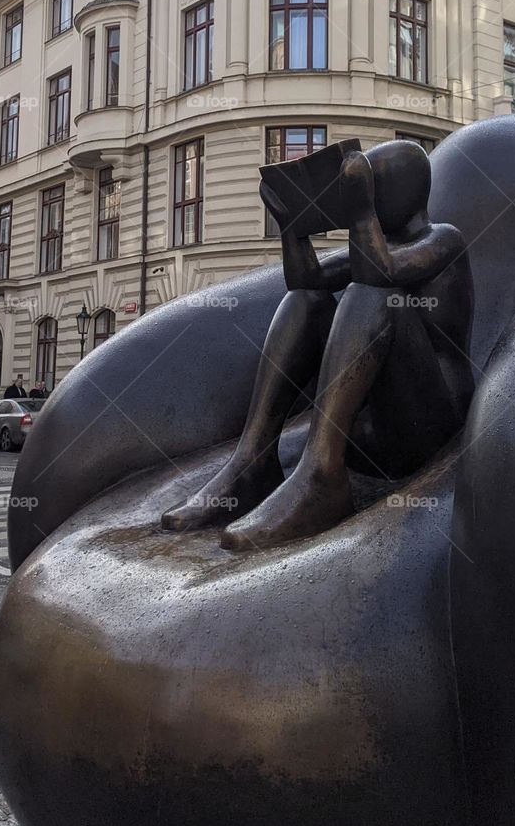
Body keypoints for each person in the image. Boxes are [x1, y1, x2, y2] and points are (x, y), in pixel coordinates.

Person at [162, 140, 475, 551]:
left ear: (404, 191)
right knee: (306, 301)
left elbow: (383, 273)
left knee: (375, 295)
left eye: (373, 189)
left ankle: (322, 474)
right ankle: (253, 460)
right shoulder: (373, 251)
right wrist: (291, 226)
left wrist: (361, 211)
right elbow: (306, 280)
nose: (365, 200)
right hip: (372, 434)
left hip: (426, 426)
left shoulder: (444, 239)